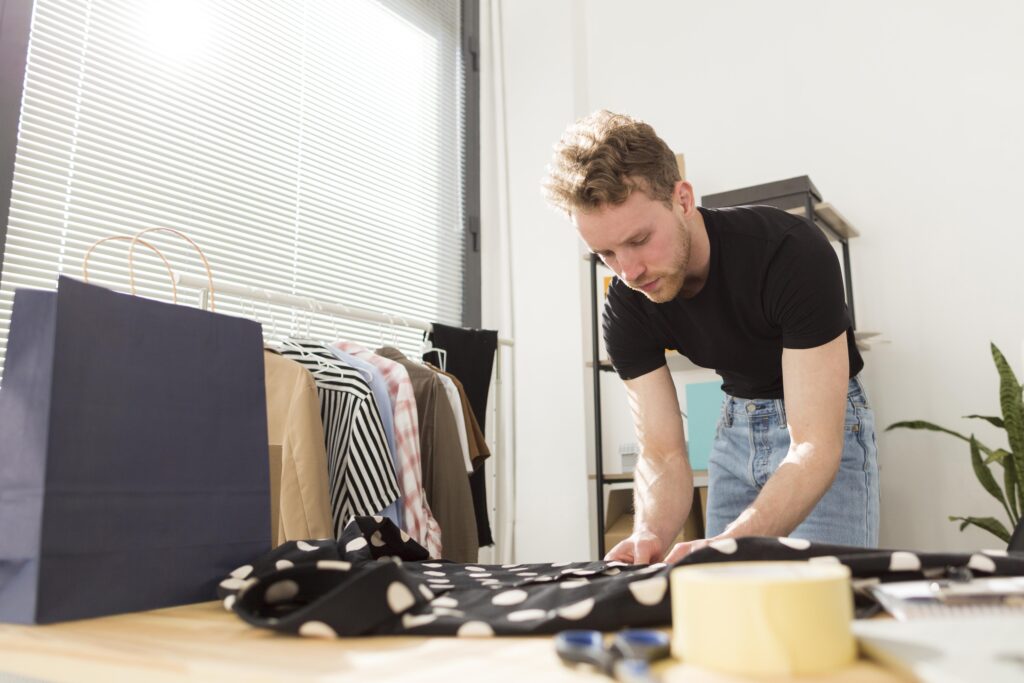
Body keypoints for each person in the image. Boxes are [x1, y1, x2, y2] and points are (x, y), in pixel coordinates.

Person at [542, 111, 879, 564]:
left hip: (821, 426)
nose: (629, 271)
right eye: (605, 253)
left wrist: (732, 540)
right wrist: (649, 533)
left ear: (682, 198)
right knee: (723, 601)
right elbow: (661, 453)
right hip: (734, 427)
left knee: (819, 605)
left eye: (639, 239)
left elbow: (813, 445)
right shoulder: (625, 303)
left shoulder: (790, 251)